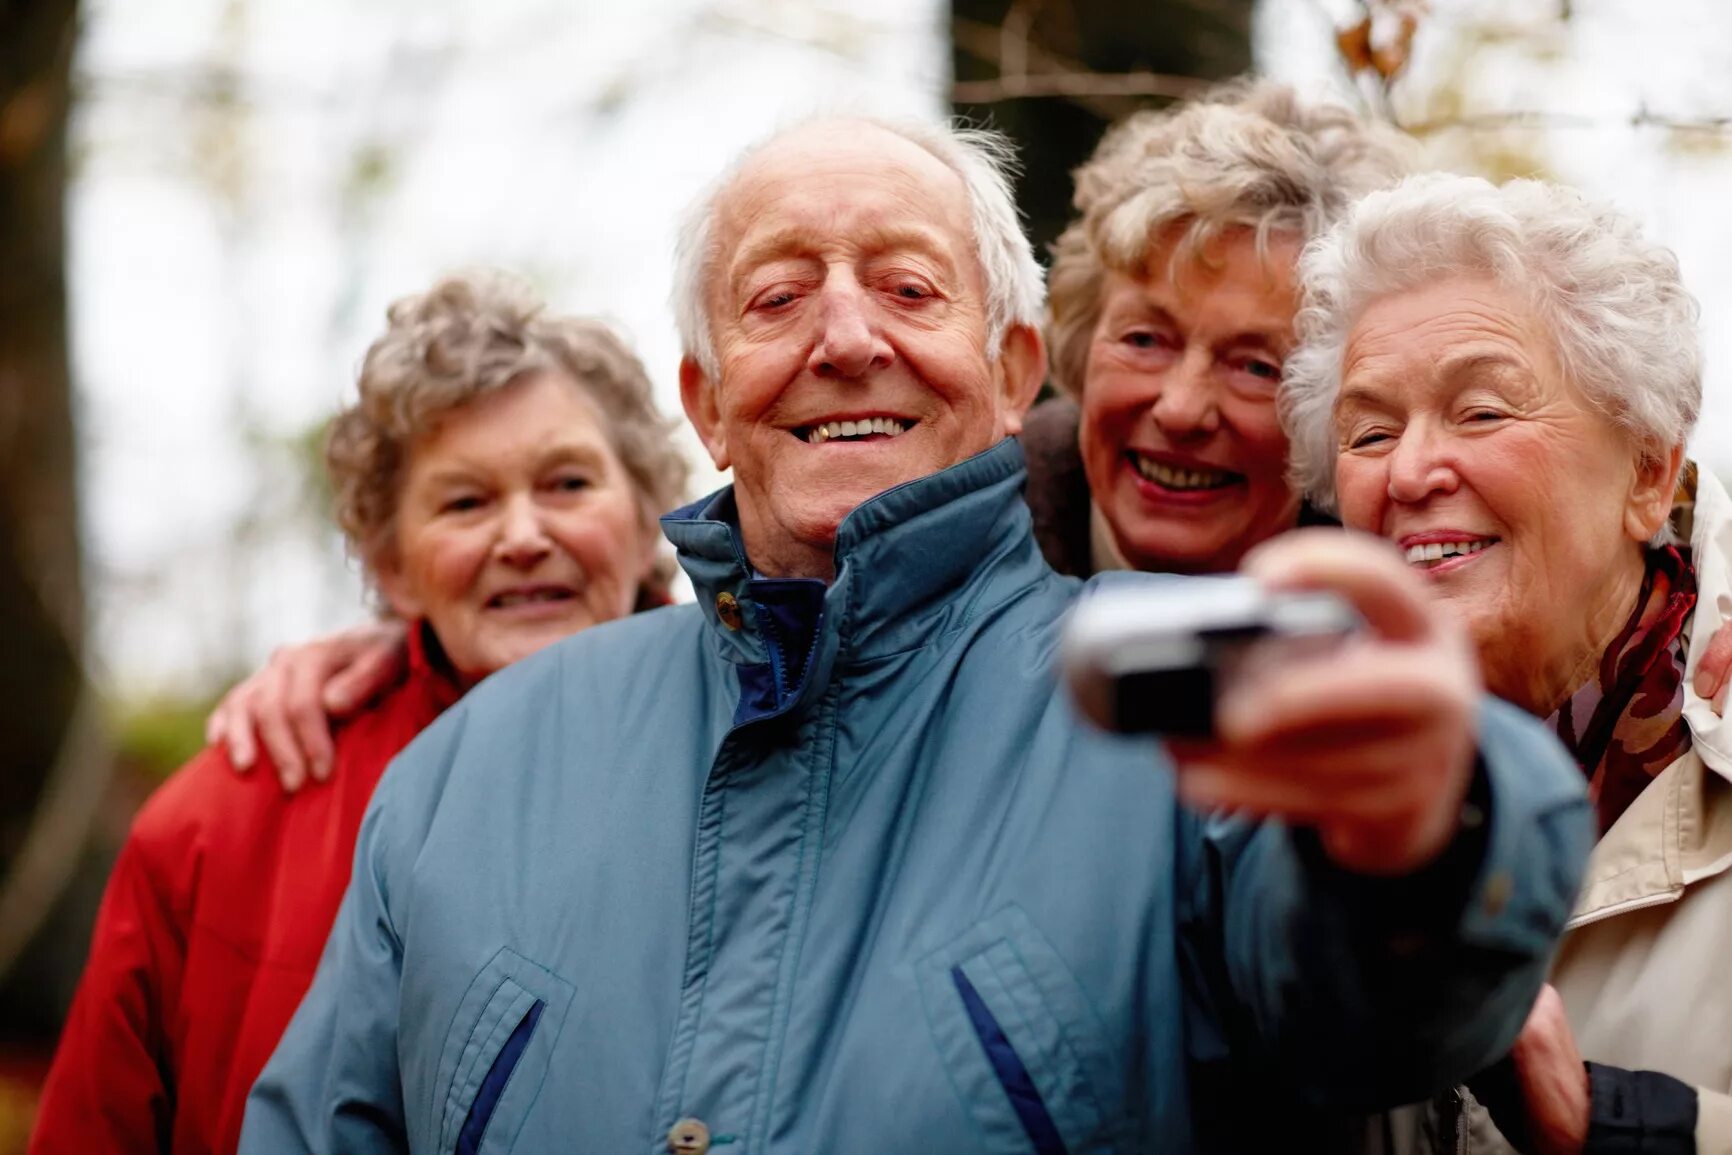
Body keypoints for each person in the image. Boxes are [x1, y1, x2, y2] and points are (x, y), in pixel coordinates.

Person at [240, 117, 1592, 1154]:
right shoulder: (468, 771)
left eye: (906, 286)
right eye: (777, 297)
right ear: (706, 402)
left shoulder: (1194, 694)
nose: (843, 335)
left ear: (1013, 375)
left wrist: (1440, 832)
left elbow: (1378, 999)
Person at [28, 272, 689, 1155]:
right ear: (391, 566)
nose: (524, 534)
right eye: (466, 501)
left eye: (567, 483)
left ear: (649, 519)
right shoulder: (216, 827)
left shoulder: (771, 758)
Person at [1282, 172, 1730, 1153]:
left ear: (1649, 471)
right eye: (1368, 431)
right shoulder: (1285, 783)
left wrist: (1619, 1127)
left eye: (1482, 412)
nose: (1408, 473)